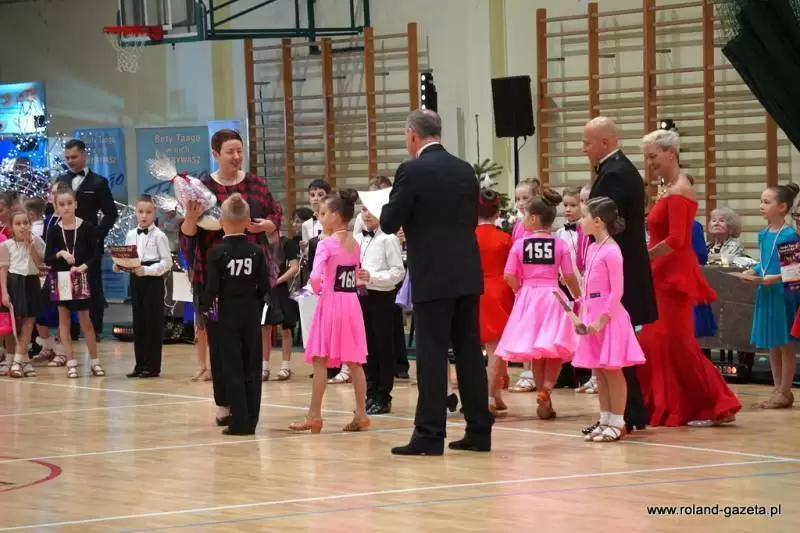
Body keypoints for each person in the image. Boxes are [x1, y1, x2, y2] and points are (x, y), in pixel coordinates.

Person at [381, 109, 493, 456]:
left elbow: (389, 222)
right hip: (466, 271)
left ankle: (429, 435)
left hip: (432, 273)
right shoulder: (464, 169)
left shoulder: (411, 170)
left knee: (431, 355)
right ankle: (479, 431)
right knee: (469, 353)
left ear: (412, 134)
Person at [636, 128, 741, 426]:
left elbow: (676, 240)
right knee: (660, 340)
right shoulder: (667, 187)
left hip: (674, 275)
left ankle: (715, 404)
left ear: (671, 153)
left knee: (677, 341)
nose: (649, 163)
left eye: (653, 157)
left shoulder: (679, 191)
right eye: (647, 157)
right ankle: (670, 402)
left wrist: (643, 256)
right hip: (662, 272)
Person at [180, 129, 282, 421]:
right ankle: (223, 402)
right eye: (230, 152)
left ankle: (246, 405)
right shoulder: (201, 189)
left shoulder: (256, 185)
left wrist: (268, 225)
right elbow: (188, 236)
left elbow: (275, 215)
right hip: (213, 279)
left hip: (249, 279)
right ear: (215, 154)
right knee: (219, 343)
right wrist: (190, 219)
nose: (237, 157)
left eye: (240, 150)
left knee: (249, 344)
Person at [582, 116, 656, 433]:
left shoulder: (615, 174)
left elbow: (610, 224)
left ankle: (621, 416)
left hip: (616, 276)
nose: (583, 149)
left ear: (605, 142)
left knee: (615, 353)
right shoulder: (617, 169)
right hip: (617, 270)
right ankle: (619, 415)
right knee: (610, 354)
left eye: (587, 143)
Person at [289, 189, 371, 433]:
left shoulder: (326, 244)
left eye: (323, 213)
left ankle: (314, 416)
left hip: (332, 304)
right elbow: (355, 275)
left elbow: (315, 277)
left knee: (320, 359)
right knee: (355, 362)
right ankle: (362, 414)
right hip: (352, 304)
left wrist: (318, 288)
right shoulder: (355, 244)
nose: (319, 216)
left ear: (335, 216)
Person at [495, 189, 581, 419]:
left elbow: (508, 275)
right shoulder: (559, 245)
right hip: (553, 297)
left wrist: (519, 289)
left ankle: (543, 393)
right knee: (553, 350)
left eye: (525, 215)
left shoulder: (519, 245)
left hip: (528, 298)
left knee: (536, 351)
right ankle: (546, 390)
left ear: (533, 218)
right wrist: (577, 297)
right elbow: (569, 276)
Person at [572, 197, 646, 442]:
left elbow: (617, 292)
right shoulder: (593, 247)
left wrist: (602, 320)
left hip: (609, 318)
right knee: (599, 373)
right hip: (592, 315)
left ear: (597, 221)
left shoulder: (613, 250)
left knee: (613, 372)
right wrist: (583, 315)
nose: (580, 221)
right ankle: (604, 419)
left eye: (584, 216)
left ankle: (618, 421)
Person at [201, 194, 270, 435]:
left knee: (232, 366)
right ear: (248, 221)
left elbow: (212, 288)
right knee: (252, 365)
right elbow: (264, 286)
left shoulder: (216, 253)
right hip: (251, 312)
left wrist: (203, 309)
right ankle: (251, 419)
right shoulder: (256, 251)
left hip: (227, 313)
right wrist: (255, 302)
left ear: (221, 221)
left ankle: (238, 420)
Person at [742, 184, 800, 409]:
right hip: (765, 291)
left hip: (783, 294)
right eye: (761, 201)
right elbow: (764, 263)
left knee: (785, 344)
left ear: (782, 207)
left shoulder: (789, 235)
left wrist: (772, 279)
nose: (761, 206)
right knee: (772, 344)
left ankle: (785, 390)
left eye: (767, 202)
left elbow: (793, 270)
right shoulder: (763, 234)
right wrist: (753, 271)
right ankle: (777, 389)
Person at [55, 139, 118, 338]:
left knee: (93, 285)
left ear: (84, 155)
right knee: (65, 283)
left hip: (90, 244)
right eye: (67, 158)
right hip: (65, 241)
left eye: (74, 157)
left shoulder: (99, 182)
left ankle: (95, 330)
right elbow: (53, 211)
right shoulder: (60, 181)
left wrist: (97, 234)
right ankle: (69, 331)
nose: (70, 161)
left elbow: (111, 213)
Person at [44, 187, 102, 379]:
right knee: (64, 320)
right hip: (61, 278)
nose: (66, 207)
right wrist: (60, 253)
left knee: (85, 320)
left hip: (80, 276)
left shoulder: (86, 227)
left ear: (76, 204)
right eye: (62, 204)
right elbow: (47, 258)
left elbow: (95, 254)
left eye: (69, 203)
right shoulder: (54, 230)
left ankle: (94, 361)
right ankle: (70, 361)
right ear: (56, 207)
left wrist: (84, 266)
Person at [356, 200, 405, 414]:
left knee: (383, 346)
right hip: (361, 297)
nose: (367, 214)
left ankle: (383, 395)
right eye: (364, 209)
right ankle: (371, 392)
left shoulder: (389, 238)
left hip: (382, 297)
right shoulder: (358, 239)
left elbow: (398, 272)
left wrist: (373, 277)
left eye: (372, 210)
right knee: (366, 346)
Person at [115, 195, 171, 378]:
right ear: (135, 213)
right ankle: (140, 364)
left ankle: (152, 366)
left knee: (152, 324)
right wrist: (120, 265)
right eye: (140, 212)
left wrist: (147, 270)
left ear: (154, 213)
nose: (144, 216)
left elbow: (167, 263)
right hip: (136, 280)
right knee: (139, 324)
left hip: (152, 282)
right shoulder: (131, 234)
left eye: (148, 212)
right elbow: (128, 257)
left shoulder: (159, 235)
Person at [475, 189, 514, 417]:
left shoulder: (468, 236)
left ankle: (493, 395)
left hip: (473, 290)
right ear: (498, 213)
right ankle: (490, 396)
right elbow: (511, 270)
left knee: (474, 347)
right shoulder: (505, 238)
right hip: (499, 291)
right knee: (496, 347)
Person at [0, 208, 46, 378]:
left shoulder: (37, 241)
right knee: (16, 325)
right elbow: (3, 270)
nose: (22, 227)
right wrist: (4, 292)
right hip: (14, 283)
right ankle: (22, 361)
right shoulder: (6, 245)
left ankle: (18, 362)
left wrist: (31, 247)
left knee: (29, 323)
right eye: (18, 224)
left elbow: (40, 264)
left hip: (31, 282)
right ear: (11, 227)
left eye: (25, 223)